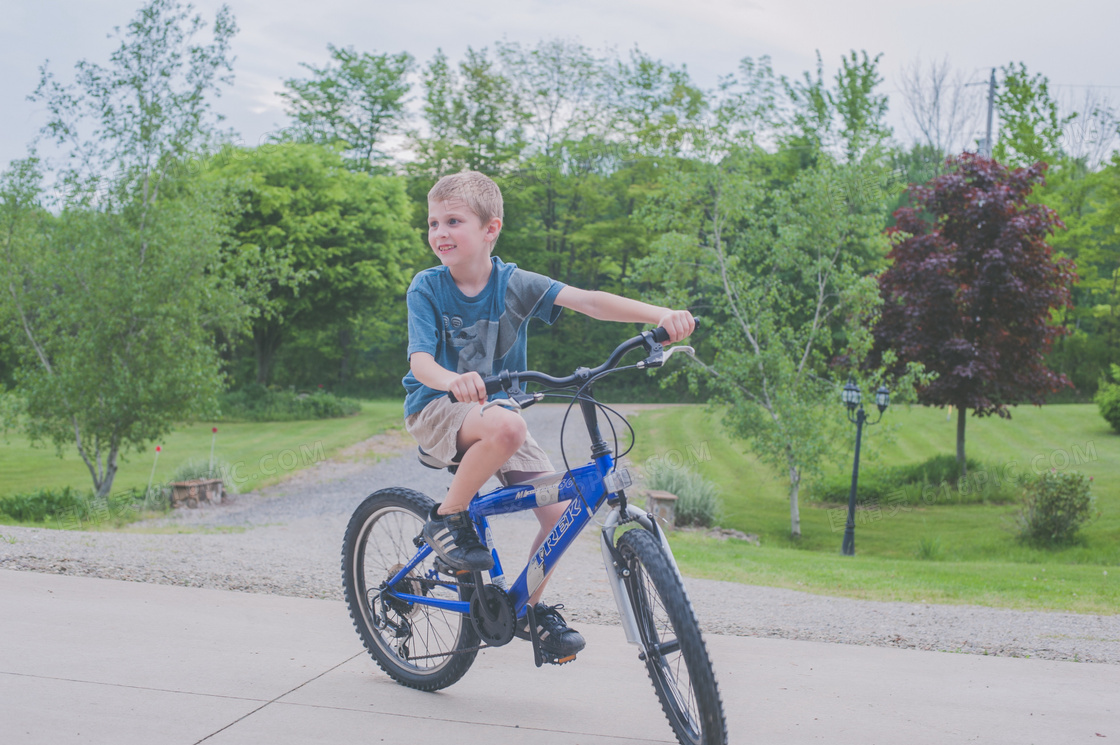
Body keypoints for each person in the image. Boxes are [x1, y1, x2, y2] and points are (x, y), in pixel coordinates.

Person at [403, 170, 694, 658]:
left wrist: (659, 314)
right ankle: (446, 518)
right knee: (509, 423)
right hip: (438, 408)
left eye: (453, 221)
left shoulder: (514, 283)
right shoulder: (428, 287)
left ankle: (525, 612)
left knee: (562, 514)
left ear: (490, 229)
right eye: (433, 223)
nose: (439, 233)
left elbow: (589, 301)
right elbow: (420, 362)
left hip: (498, 415)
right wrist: (453, 380)